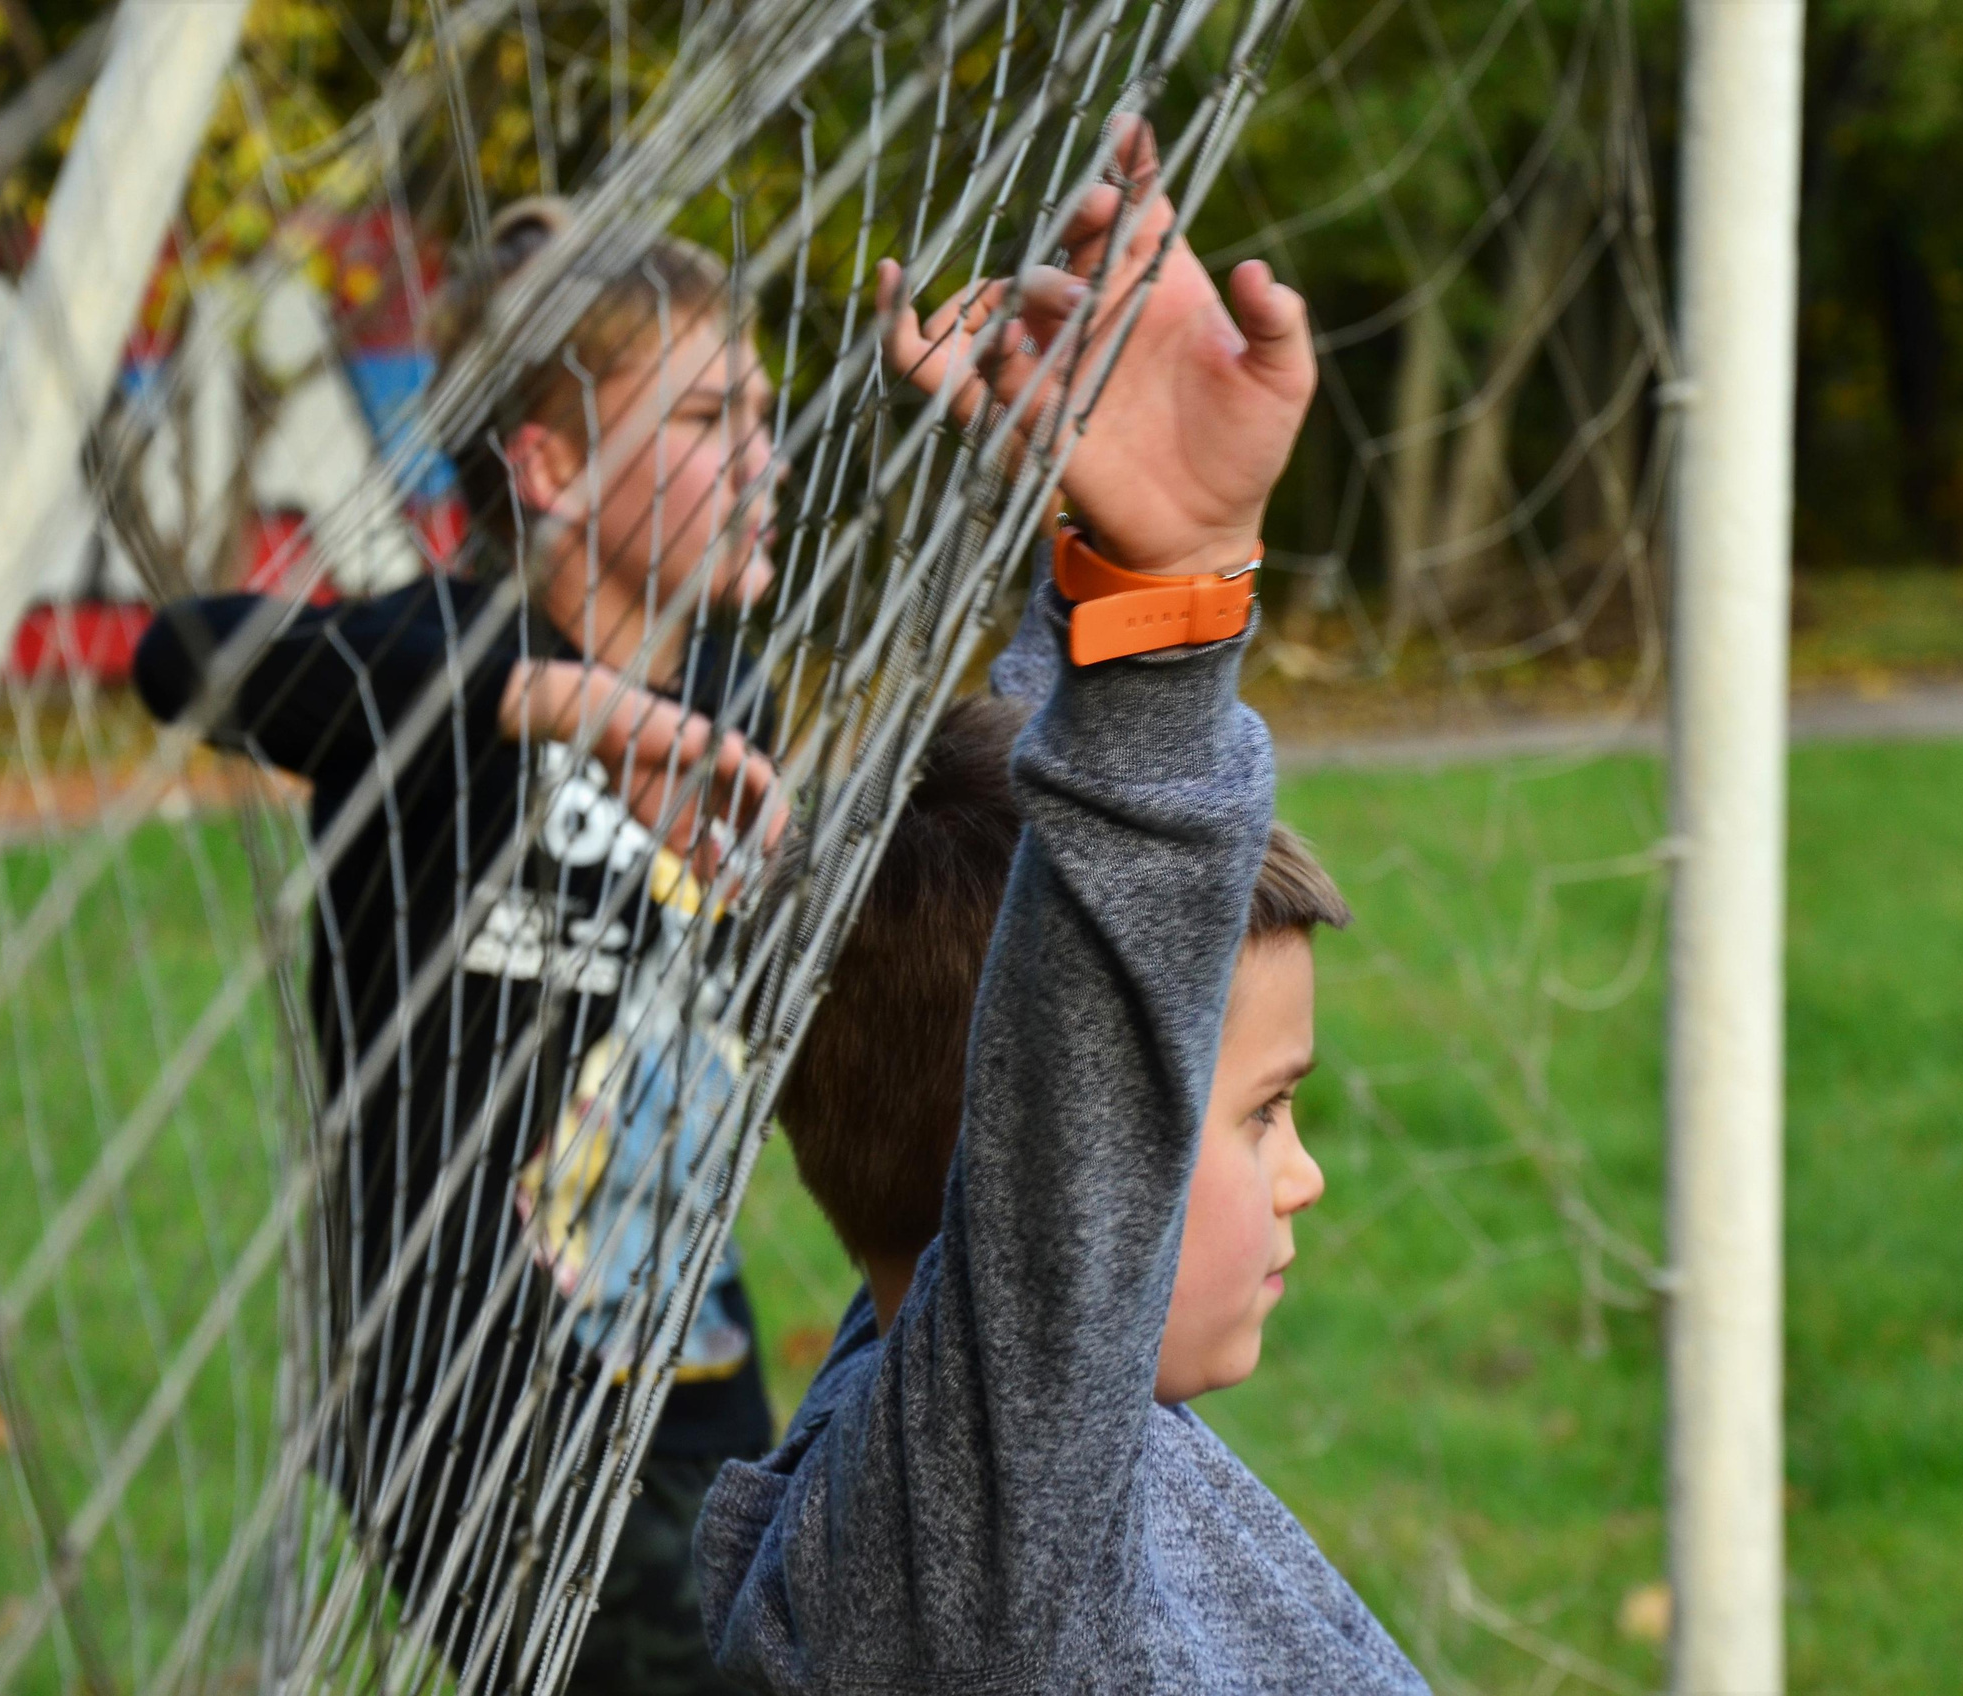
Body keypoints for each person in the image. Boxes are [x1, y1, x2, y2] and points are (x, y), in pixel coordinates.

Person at [694, 122, 1432, 1692]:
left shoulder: (946, 1414)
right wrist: (1170, 599)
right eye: (1258, 1114)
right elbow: (1071, 1050)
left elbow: (1041, 863)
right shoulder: (975, 1570)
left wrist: (1100, 546)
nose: (1302, 1178)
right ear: (1063, 1167)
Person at [132, 198, 785, 1695]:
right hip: (473, 1402)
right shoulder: (433, 671)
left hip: (692, 1373)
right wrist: (554, 704)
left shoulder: (736, 696)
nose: (764, 455)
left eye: (762, 410)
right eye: (703, 415)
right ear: (549, 468)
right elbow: (182, 655)